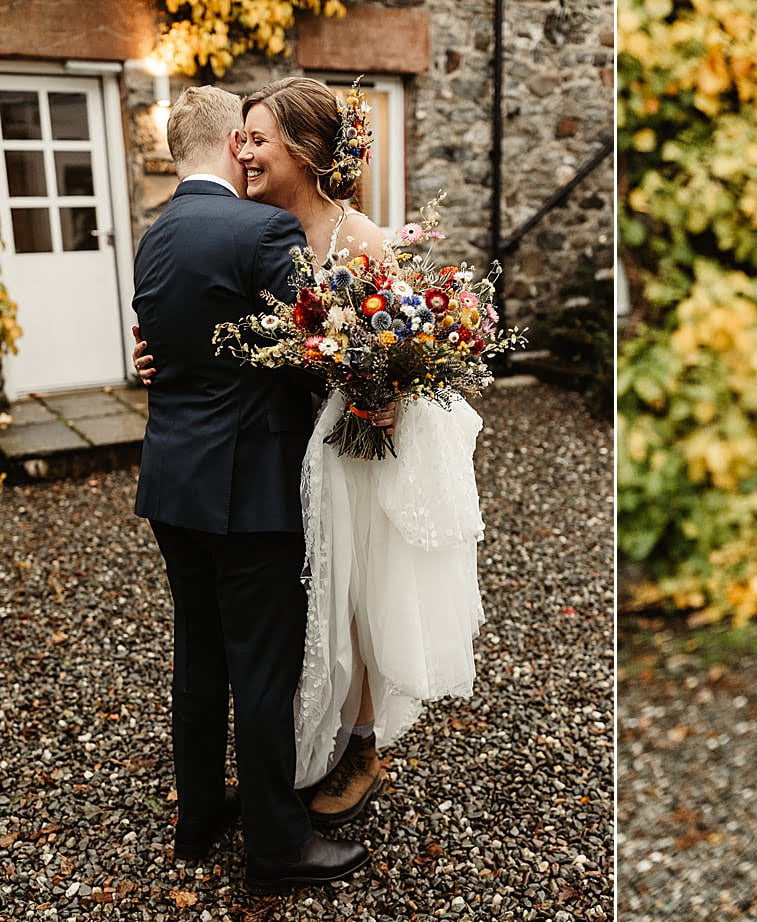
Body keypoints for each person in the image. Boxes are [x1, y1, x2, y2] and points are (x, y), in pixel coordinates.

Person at [136, 76, 488, 833]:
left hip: (350, 438)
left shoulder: (354, 237)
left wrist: (389, 387)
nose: (245, 151)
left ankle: (360, 745)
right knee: (311, 601)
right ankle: (305, 748)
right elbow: (206, 312)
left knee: (357, 593)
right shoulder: (252, 224)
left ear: (303, 151)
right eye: (243, 138)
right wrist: (156, 353)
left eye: (259, 139)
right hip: (277, 454)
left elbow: (402, 338)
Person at [130, 84, 368, 894]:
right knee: (261, 667)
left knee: (198, 656)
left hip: (172, 483)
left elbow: (178, 349)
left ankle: (199, 816)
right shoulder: (262, 228)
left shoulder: (152, 240)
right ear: (236, 142)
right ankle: (276, 844)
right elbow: (327, 345)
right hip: (249, 489)